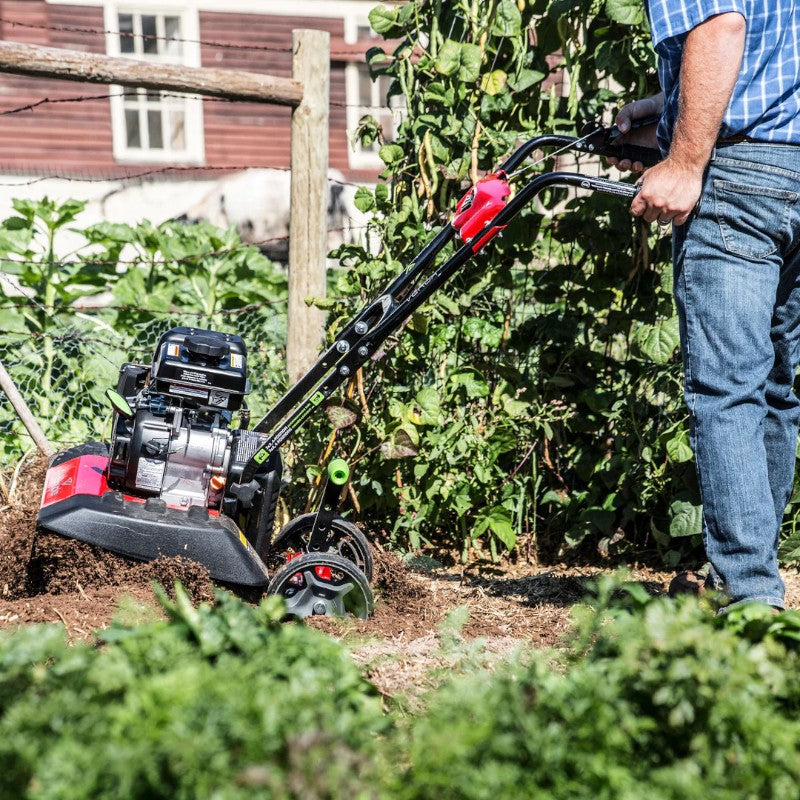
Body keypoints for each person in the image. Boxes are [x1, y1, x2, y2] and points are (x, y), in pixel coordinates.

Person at [613, 1, 800, 610]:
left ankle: (748, 594)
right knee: (776, 386)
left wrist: (686, 162)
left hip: (741, 176)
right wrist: (665, 112)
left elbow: (722, 26)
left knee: (728, 388)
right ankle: (753, 578)